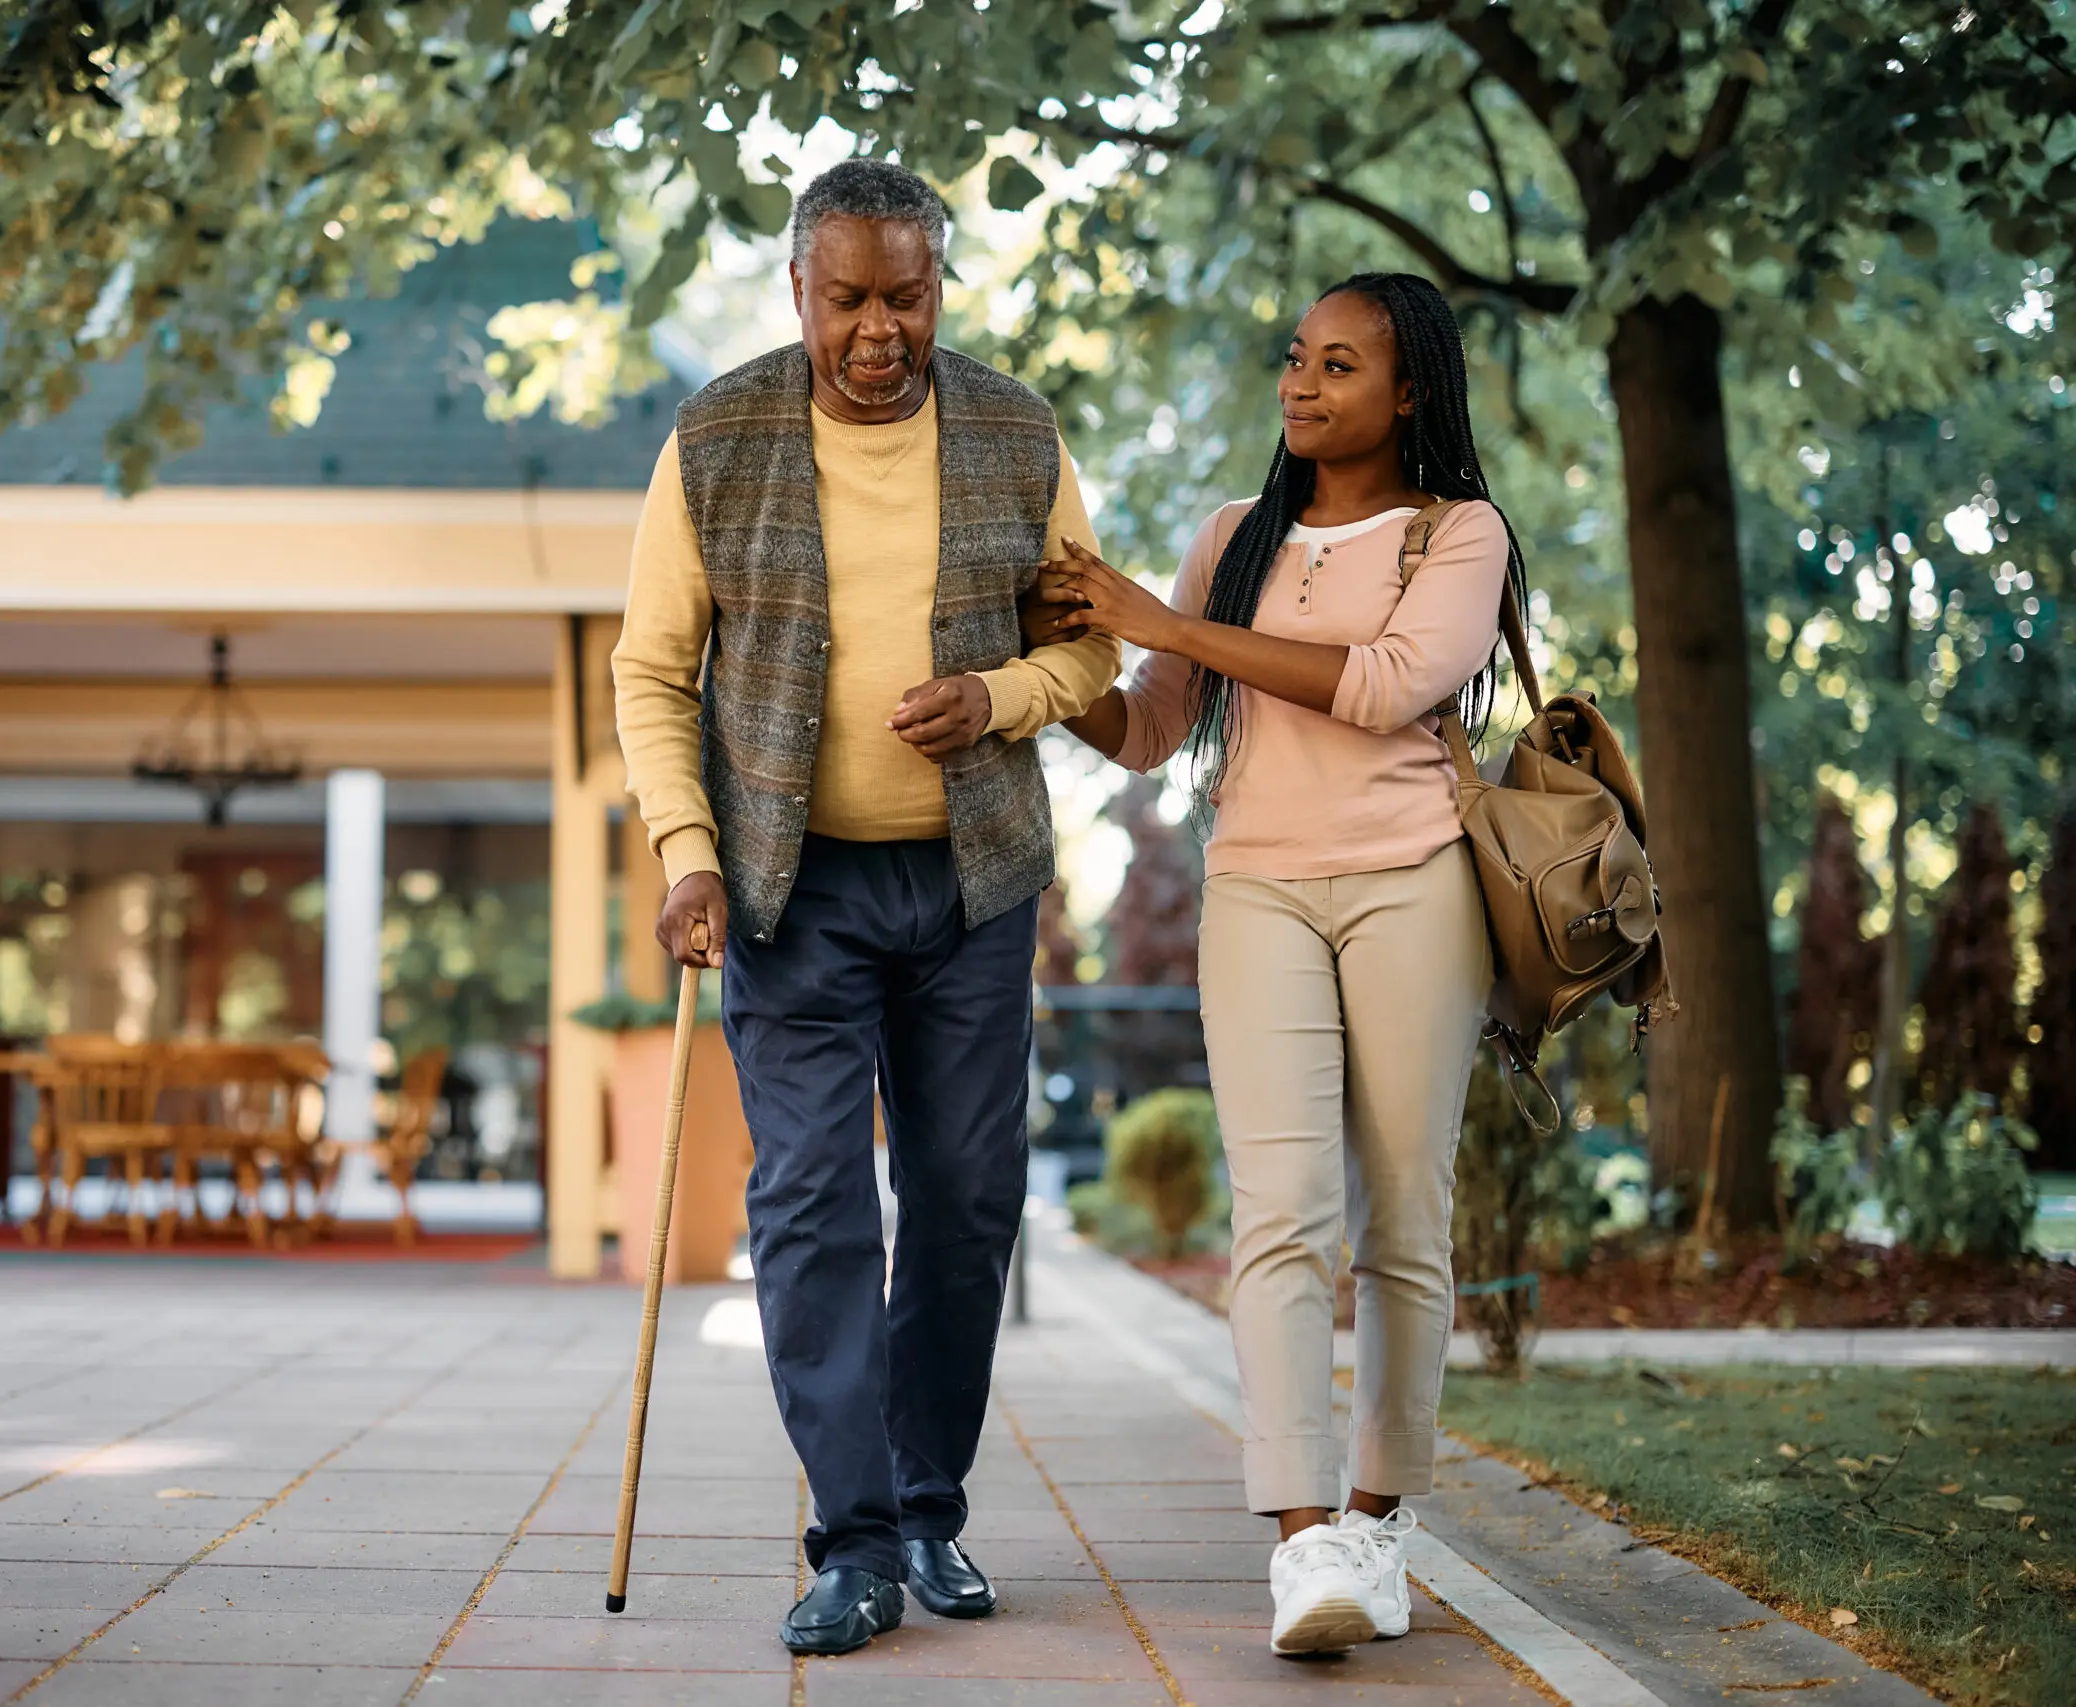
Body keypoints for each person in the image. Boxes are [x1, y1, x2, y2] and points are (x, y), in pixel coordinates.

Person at [611, 159, 1120, 1656]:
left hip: (972, 883)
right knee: (814, 1201)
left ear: (939, 287)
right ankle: (851, 1539)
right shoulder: (717, 436)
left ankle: (928, 1507)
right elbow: (652, 670)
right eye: (851, 299)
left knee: (967, 1203)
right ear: (800, 292)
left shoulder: (1018, 429)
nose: (881, 329)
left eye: (908, 294)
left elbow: (1088, 655)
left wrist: (1001, 695)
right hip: (790, 882)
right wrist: (684, 848)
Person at [1028, 272, 1518, 1658]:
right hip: (1258, 892)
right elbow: (1147, 730)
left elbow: (1378, 686)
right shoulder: (1229, 539)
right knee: (1283, 1214)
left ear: (1409, 388)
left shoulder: (1456, 535)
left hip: (1414, 887)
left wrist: (1159, 618)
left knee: (1404, 1222)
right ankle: (1304, 1541)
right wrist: (1046, 673)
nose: (1303, 385)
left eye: (1341, 365)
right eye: (1297, 358)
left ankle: (1379, 1516)